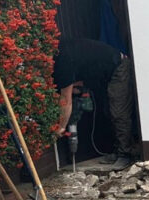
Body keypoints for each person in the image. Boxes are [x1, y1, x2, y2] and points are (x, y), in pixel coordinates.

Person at [53, 38, 136, 170]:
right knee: (108, 111)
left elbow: (66, 101)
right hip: (104, 74)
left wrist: (60, 127)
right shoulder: (63, 53)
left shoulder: (63, 61)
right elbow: (74, 84)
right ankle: (119, 150)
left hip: (118, 67)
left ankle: (126, 154)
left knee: (119, 112)